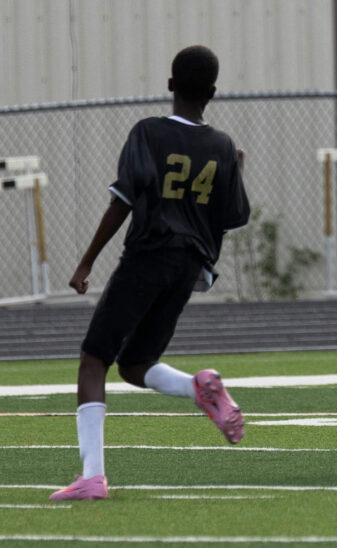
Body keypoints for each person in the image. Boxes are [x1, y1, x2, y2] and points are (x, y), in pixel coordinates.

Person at [49, 45, 250, 501]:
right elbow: (233, 215)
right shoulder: (221, 145)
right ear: (212, 92)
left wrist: (87, 260)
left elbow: (123, 199)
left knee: (93, 360)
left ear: (170, 84)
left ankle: (92, 476)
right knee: (135, 364)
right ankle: (199, 389)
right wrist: (237, 170)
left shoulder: (149, 132)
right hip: (187, 266)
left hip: (148, 255)